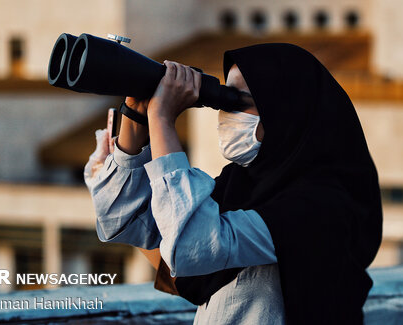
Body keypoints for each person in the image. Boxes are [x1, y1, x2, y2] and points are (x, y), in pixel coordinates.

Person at [85, 43, 383, 324]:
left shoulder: (321, 206)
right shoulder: (240, 187)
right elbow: (128, 223)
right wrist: (134, 119)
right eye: (225, 101)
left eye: (241, 102)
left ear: (285, 113)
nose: (226, 114)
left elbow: (192, 244)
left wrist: (162, 119)